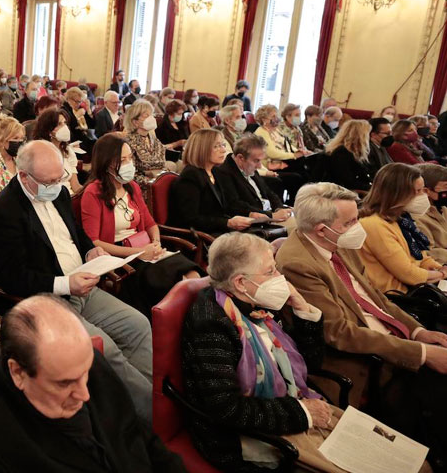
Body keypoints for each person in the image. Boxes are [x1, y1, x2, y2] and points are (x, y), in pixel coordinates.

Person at [0, 140, 155, 423]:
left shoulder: (59, 193)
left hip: (83, 286)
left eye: (59, 177)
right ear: (24, 176)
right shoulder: (4, 214)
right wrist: (65, 284)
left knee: (138, 326)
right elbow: (12, 278)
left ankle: (141, 405)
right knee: (105, 348)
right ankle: (145, 415)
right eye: (49, 180)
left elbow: (75, 233)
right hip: (49, 298)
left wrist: (90, 249)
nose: (58, 184)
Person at [277, 182, 447, 467]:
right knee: (438, 386)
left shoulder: (339, 243)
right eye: (351, 221)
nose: (359, 226)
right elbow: (340, 334)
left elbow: (375, 298)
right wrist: (421, 353)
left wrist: (418, 332)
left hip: (390, 338)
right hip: (359, 360)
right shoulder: (298, 263)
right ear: (321, 229)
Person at [0, 295, 186, 473]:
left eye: (85, 373)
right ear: (18, 373)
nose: (85, 394)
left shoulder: (89, 363)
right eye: (65, 384)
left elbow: (140, 437)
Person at [182, 232, 347, 472]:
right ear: (240, 282)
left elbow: (309, 362)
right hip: (245, 436)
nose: (280, 278)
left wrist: (302, 309)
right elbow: (225, 408)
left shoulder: (257, 304)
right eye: (270, 272)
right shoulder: (211, 323)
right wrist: (301, 412)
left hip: (289, 406)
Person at [81, 134, 201, 310]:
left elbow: (151, 223)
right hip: (119, 256)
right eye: (123, 159)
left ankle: (194, 324)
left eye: (130, 157)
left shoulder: (132, 186)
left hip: (144, 248)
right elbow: (94, 242)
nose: (129, 163)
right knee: (175, 283)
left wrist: (156, 243)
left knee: (192, 274)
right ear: (107, 162)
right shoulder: (93, 192)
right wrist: (138, 253)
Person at [357, 163, 446, 294]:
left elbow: (421, 257)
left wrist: (440, 268)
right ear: (397, 194)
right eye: (418, 191)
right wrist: (442, 274)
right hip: (398, 295)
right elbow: (409, 274)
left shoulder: (401, 219)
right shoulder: (374, 224)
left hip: (417, 288)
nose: (424, 195)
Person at [169, 128, 255, 234]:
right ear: (202, 149)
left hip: (218, 230)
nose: (223, 150)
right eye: (216, 146)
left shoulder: (216, 171)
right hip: (199, 236)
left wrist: (252, 214)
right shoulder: (190, 176)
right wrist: (227, 223)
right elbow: (190, 219)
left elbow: (230, 203)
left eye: (223, 145)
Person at [216, 134, 292, 224]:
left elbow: (268, 193)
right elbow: (236, 206)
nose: (260, 166)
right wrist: (271, 215)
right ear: (240, 158)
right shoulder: (224, 172)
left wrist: (279, 208)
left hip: (270, 215)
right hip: (256, 222)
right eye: (257, 161)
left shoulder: (248, 165)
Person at [32, 108, 82, 194]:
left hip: (71, 197)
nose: (65, 127)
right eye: (59, 124)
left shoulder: (67, 150)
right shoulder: (39, 153)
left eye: (65, 123)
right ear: (48, 130)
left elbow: (75, 185)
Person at [124, 100, 168, 192]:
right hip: (142, 187)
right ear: (135, 122)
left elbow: (163, 164)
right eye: (146, 116)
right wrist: (152, 181)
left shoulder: (155, 140)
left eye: (151, 114)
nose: (151, 118)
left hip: (159, 183)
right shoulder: (129, 142)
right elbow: (131, 173)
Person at [323, 119, 373, 191]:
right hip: (337, 191)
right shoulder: (341, 152)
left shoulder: (353, 152)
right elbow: (348, 182)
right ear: (360, 135)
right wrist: (372, 188)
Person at [415, 164, 447, 263]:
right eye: (446, 186)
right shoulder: (417, 217)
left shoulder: (442, 208)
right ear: (426, 190)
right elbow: (428, 252)